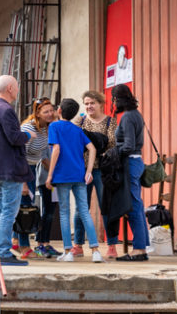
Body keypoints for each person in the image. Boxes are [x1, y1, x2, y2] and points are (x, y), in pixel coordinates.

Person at [46, 97, 103, 263]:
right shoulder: (77, 129)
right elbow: (92, 148)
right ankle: (95, 251)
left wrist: (50, 175)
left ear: (59, 111)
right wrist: (89, 171)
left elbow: (56, 149)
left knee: (65, 213)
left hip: (62, 176)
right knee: (84, 211)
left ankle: (68, 252)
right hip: (79, 175)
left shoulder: (54, 126)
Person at [0, 75, 33, 266]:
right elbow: (14, 138)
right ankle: (3, 251)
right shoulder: (7, 110)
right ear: (11, 88)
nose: (18, 90)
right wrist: (28, 134)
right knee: (8, 211)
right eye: (17, 86)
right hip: (9, 169)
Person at [73, 90, 120, 258]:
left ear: (101, 104)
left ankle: (112, 245)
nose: (89, 106)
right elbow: (72, 142)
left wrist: (102, 151)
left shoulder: (110, 122)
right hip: (82, 170)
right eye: (86, 103)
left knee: (106, 206)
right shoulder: (80, 121)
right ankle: (78, 244)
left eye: (92, 103)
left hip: (102, 170)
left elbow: (114, 145)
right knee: (80, 208)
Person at [16, 97, 60, 259]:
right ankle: (24, 247)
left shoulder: (45, 129)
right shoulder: (29, 128)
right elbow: (19, 155)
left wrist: (53, 174)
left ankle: (16, 240)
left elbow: (43, 156)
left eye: (51, 110)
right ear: (38, 113)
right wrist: (23, 183)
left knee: (25, 206)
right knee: (25, 207)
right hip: (22, 169)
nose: (50, 114)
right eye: (46, 111)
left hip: (33, 169)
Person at [112, 84, 150, 261]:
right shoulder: (136, 114)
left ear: (118, 99)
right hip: (137, 161)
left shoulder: (127, 117)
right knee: (138, 205)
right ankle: (142, 247)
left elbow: (127, 145)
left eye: (114, 98)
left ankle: (139, 249)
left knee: (133, 206)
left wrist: (111, 153)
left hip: (130, 163)